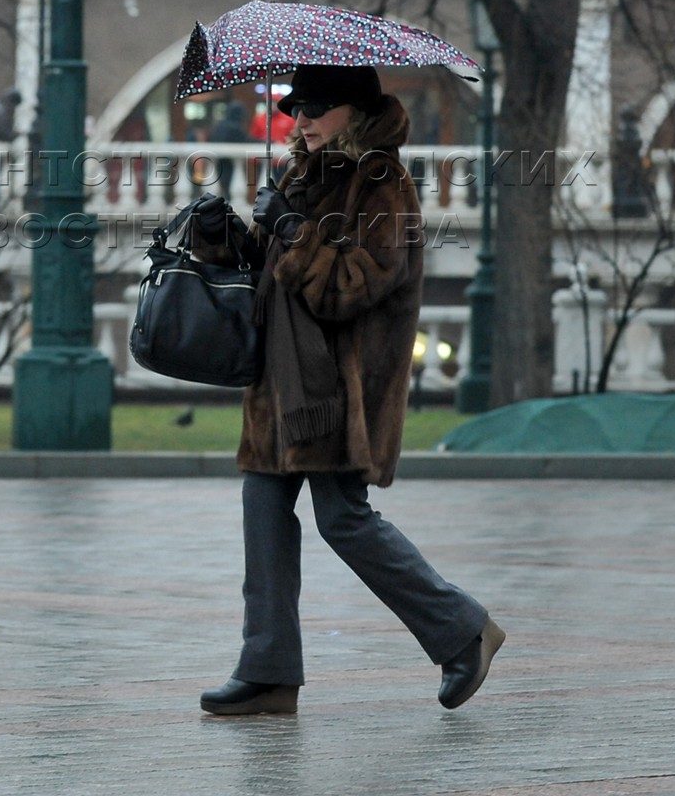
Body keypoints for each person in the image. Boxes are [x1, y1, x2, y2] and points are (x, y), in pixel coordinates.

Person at [189, 64, 504, 716]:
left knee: (343, 519)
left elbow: (351, 286)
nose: (300, 120)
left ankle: (463, 632)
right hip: (280, 380)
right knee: (262, 511)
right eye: (296, 107)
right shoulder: (297, 176)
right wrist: (222, 238)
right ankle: (268, 670)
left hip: (338, 387)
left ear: (355, 113)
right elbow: (270, 273)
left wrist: (290, 231)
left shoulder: (383, 183)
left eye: (316, 107)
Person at [207, 101, 252, 200]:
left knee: (223, 185)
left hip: (220, 161)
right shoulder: (233, 126)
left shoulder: (220, 125)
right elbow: (245, 140)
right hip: (226, 161)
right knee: (226, 184)